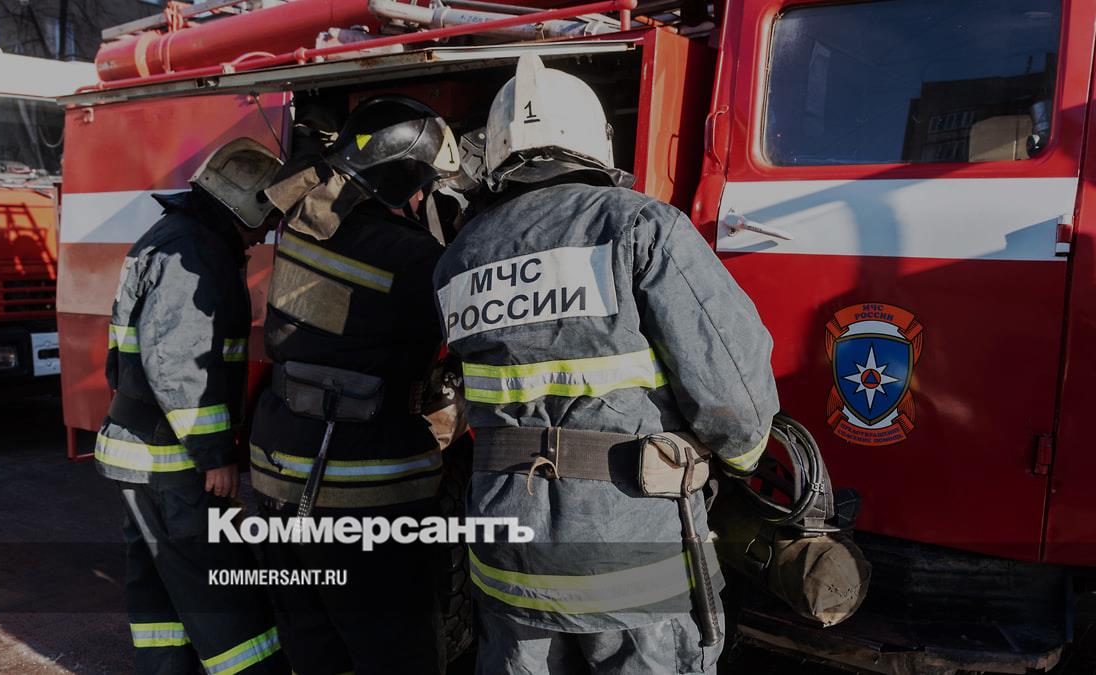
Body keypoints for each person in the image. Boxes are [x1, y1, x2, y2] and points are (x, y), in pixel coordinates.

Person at [433, 55, 781, 674]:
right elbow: (733, 388)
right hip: (629, 552)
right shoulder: (640, 225)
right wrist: (744, 461)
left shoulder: (459, 257)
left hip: (507, 550)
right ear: (595, 140)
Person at [248, 96, 460, 675]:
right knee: (397, 652)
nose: (424, 198)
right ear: (402, 179)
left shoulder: (301, 216)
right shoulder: (413, 255)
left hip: (279, 473)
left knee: (313, 644)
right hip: (368, 492)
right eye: (424, 186)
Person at [97, 137, 287, 675]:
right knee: (218, 586)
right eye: (265, 220)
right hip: (170, 460)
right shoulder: (194, 254)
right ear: (245, 207)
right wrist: (214, 455)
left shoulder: (171, 236)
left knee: (159, 586)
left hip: (140, 452)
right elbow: (178, 363)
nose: (265, 234)